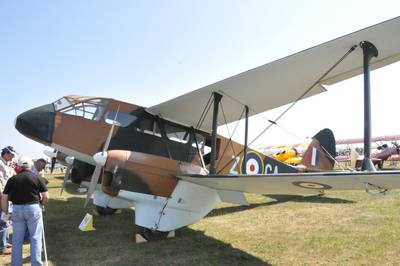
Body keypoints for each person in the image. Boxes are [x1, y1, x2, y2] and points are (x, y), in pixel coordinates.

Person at [1, 156, 49, 266]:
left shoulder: (12, 179)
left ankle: (16, 264)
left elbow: (4, 197)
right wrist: (41, 204)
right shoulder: (37, 177)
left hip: (17, 209)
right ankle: (36, 264)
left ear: (18, 166)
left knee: (17, 239)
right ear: (30, 165)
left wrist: (6, 211)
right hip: (33, 208)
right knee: (36, 237)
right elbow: (46, 196)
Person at [0, 146, 17, 255]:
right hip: (2, 197)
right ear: (6, 153)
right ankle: (1, 247)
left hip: (6, 196)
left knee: (6, 219)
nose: (13, 157)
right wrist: (2, 196)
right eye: (12, 155)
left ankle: (4, 242)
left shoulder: (6, 164)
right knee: (3, 221)